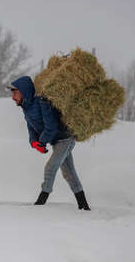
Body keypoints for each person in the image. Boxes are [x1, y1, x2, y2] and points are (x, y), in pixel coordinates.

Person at [7, 76, 91, 210]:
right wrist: (34, 142)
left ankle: (41, 202)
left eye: (15, 92)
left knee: (50, 168)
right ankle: (84, 206)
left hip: (65, 139)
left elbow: (51, 127)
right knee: (69, 173)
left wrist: (42, 142)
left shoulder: (42, 103)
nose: (13, 97)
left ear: (24, 91)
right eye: (12, 93)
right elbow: (31, 127)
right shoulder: (26, 107)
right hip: (56, 142)